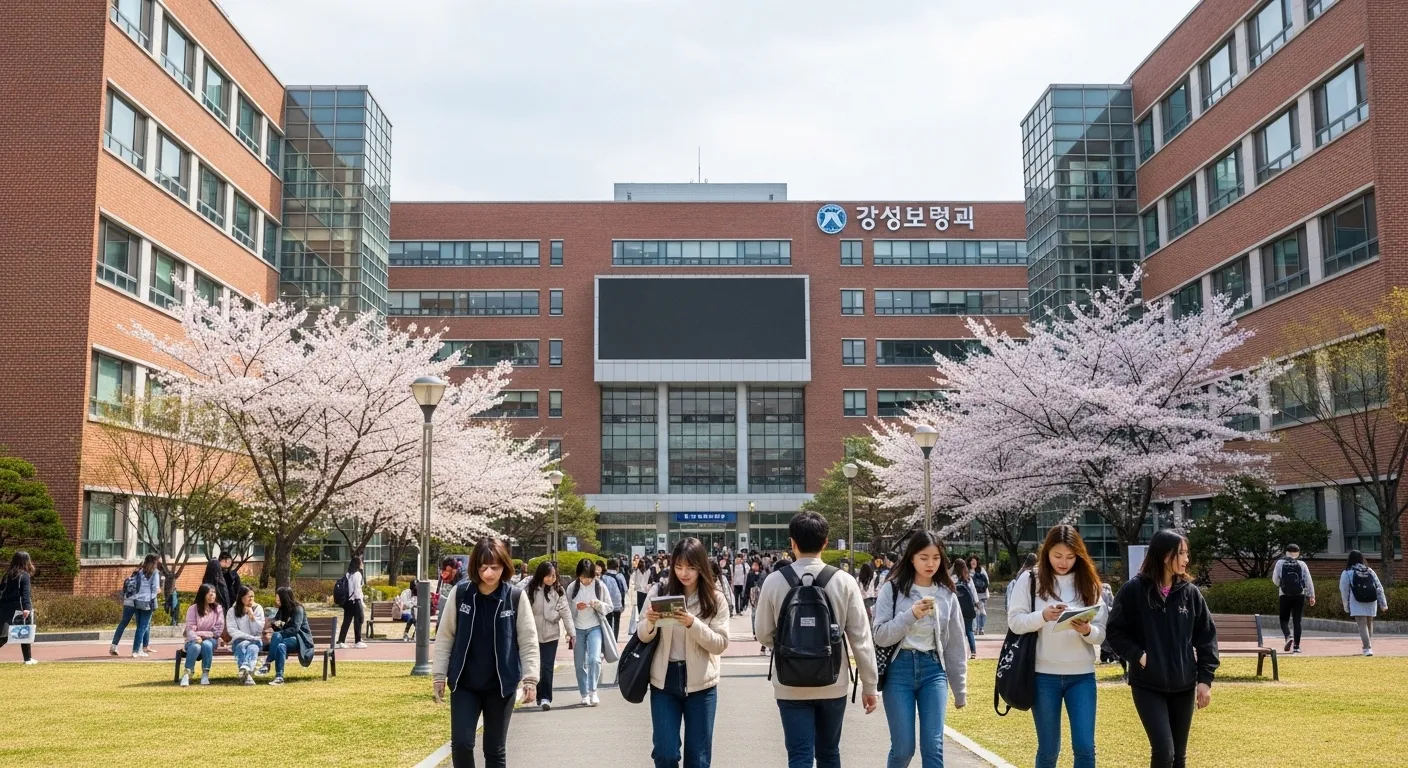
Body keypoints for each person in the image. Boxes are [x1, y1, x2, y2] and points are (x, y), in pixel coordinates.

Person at [755, 511, 879, 768]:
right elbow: (861, 639)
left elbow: (763, 634)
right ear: (825, 542)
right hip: (833, 682)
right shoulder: (844, 581)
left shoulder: (775, 581)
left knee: (799, 756)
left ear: (792, 543)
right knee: (829, 753)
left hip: (789, 683)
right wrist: (869, 685)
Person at [1106, 529, 1219, 768]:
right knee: (1164, 751)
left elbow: (1206, 637)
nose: (1186, 559)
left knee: (1179, 757)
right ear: (1165, 555)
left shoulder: (1190, 594)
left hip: (1184, 685)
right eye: (1182, 553)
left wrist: (1205, 680)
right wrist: (1138, 655)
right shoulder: (1133, 590)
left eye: (1187, 553)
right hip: (1147, 686)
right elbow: (1114, 632)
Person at [1007, 525, 1108, 768]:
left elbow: (1101, 634)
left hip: (1082, 675)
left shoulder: (1090, 583)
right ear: (1047, 552)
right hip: (1043, 675)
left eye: (1071, 557)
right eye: (1057, 556)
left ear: (1079, 555)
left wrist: (1086, 630)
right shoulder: (1030, 579)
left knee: (1085, 748)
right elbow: (1015, 622)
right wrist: (1043, 616)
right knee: (1049, 749)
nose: (1063, 562)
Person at [431, 537, 538, 768]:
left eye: (495, 567)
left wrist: (530, 679)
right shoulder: (461, 594)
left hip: (501, 686)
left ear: (504, 567)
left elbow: (528, 640)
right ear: (474, 567)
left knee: (494, 750)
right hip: (465, 684)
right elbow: (445, 636)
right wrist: (439, 674)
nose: (489, 573)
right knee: (461, 743)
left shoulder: (515, 598)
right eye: (483, 567)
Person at [871, 531, 968, 768]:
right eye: (924, 557)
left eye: (936, 557)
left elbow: (955, 642)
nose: (931, 563)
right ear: (911, 557)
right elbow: (880, 636)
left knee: (933, 747)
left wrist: (960, 688)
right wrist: (911, 615)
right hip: (899, 671)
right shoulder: (892, 589)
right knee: (903, 749)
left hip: (933, 670)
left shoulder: (947, 594)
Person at [638, 538, 731, 767]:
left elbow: (720, 643)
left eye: (690, 567)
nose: (684, 573)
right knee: (665, 752)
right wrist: (649, 622)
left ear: (701, 566)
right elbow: (641, 633)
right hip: (664, 681)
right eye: (678, 567)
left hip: (702, 684)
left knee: (698, 758)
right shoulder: (659, 591)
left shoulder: (715, 598)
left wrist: (693, 623)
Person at [569, 557, 617, 706]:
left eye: (589, 577)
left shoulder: (600, 586)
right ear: (578, 575)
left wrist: (598, 604)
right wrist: (576, 610)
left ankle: (593, 691)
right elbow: (566, 610)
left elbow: (610, 607)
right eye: (583, 577)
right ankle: (584, 693)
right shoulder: (572, 587)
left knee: (594, 659)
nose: (586, 581)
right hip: (577, 629)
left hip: (595, 627)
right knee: (579, 664)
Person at [527, 561, 573, 710]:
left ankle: (546, 697)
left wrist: (571, 633)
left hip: (551, 635)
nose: (551, 579)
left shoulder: (558, 590)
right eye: (548, 576)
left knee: (547, 667)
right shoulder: (530, 589)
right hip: (532, 634)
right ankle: (538, 695)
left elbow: (566, 612)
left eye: (554, 576)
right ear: (541, 575)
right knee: (536, 666)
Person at [258, 586, 315, 685]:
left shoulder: (298, 609)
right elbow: (279, 625)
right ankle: (279, 677)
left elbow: (295, 629)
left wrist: (280, 629)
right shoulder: (282, 610)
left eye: (278, 598)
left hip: (299, 639)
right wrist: (275, 624)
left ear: (285, 598)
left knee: (277, 635)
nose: (277, 601)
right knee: (280, 646)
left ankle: (267, 663)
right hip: (285, 640)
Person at [111, 553, 161, 657]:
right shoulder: (155, 573)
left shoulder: (140, 572)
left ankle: (119, 646)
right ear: (154, 562)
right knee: (143, 626)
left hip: (136, 600)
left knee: (130, 625)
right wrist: (159, 591)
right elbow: (155, 589)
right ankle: (137, 650)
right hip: (147, 602)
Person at [1340, 550, 1389, 656]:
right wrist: (1383, 604)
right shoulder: (1370, 570)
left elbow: (1344, 590)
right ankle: (1368, 646)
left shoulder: (1347, 572)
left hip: (1356, 601)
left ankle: (1367, 648)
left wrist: (1346, 606)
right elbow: (1379, 587)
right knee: (1369, 624)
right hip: (1371, 601)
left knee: (1362, 625)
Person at [1270, 543, 1315, 654]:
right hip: (1299, 594)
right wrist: (1311, 595)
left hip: (1284, 594)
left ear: (1286, 552)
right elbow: (1308, 580)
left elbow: (1275, 579)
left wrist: (1283, 586)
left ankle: (1288, 636)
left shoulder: (1280, 563)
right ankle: (1296, 646)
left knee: (1283, 619)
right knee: (1297, 620)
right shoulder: (1302, 564)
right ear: (1298, 553)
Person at [180, 583, 225, 687]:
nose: (212, 596)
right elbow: (190, 629)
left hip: (211, 640)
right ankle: (187, 673)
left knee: (207, 645)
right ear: (202, 595)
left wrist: (201, 634)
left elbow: (217, 630)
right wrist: (196, 637)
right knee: (195, 646)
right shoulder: (193, 609)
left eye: (214, 593)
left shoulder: (218, 608)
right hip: (193, 640)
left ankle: (205, 674)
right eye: (210, 594)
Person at [0, 551, 36, 665]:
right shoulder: (24, 575)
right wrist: (27, 608)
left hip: (4, 607)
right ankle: (28, 659)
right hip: (18, 609)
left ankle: (28, 659)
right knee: (20, 633)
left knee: (11, 634)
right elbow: (25, 594)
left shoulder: (7, 574)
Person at [225, 585, 265, 685]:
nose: (251, 599)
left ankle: (244, 668)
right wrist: (251, 638)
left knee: (253, 648)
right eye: (249, 596)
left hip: (255, 642)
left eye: (253, 596)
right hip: (241, 641)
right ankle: (248, 675)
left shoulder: (258, 608)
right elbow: (232, 631)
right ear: (241, 598)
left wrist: (252, 617)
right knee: (243, 645)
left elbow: (259, 630)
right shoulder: (232, 611)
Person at [337, 555, 368, 649]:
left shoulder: (348, 574)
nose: (362, 564)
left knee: (346, 621)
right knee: (359, 620)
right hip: (355, 600)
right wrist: (361, 602)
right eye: (361, 562)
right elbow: (357, 589)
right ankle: (358, 641)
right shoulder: (357, 574)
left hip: (348, 601)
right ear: (358, 564)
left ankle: (341, 641)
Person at [952, 558, 979, 660]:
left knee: (959, 631)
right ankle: (973, 652)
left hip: (958, 609)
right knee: (969, 630)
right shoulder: (968, 579)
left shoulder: (953, 578)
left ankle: (961, 652)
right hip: (968, 608)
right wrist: (977, 604)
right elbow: (974, 593)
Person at [602, 558, 627, 642]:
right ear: (617, 567)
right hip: (617, 604)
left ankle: (608, 640)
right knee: (616, 622)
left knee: (608, 621)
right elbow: (625, 589)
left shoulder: (603, 577)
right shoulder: (619, 576)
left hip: (606, 604)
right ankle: (614, 639)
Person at [631, 557, 654, 634]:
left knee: (642, 610)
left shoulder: (639, 571)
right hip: (644, 592)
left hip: (641, 592)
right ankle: (643, 625)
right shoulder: (645, 571)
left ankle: (643, 625)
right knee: (643, 610)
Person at [968, 556, 990, 636]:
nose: (973, 562)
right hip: (972, 595)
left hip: (982, 595)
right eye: (972, 561)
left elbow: (987, 581)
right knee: (975, 612)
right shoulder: (967, 571)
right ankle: (976, 628)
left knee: (982, 612)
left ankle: (981, 628)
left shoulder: (982, 570)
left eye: (975, 561)